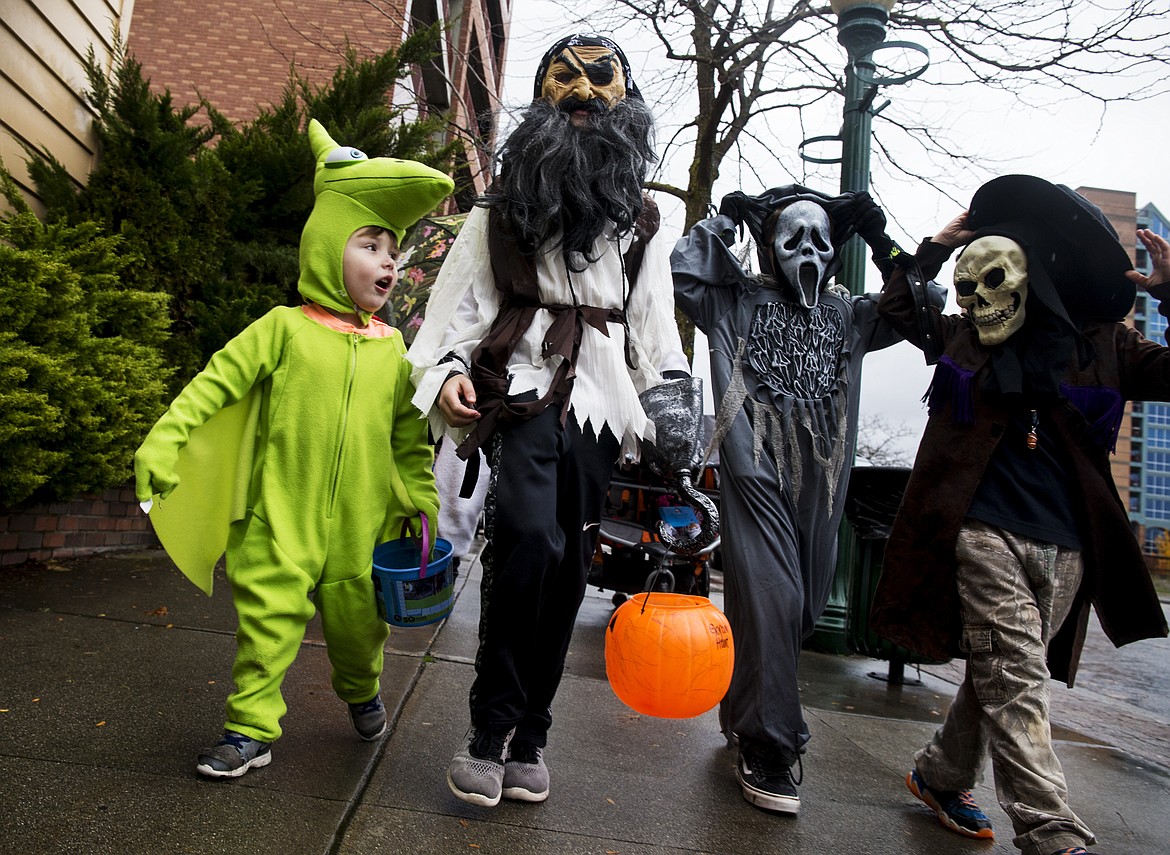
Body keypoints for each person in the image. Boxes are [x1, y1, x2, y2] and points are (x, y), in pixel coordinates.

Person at [407, 33, 689, 808]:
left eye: (603, 83)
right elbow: (457, 316)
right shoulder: (497, 214)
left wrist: (670, 397)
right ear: (540, 103)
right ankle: (487, 731)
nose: (584, 96)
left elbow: (654, 328)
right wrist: (452, 375)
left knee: (568, 568)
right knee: (527, 539)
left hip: (601, 405)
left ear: (626, 104)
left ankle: (530, 734)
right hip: (523, 392)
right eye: (565, 82)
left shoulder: (642, 224)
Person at [133, 119, 452, 779]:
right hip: (278, 520)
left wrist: (421, 501)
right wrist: (163, 443)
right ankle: (250, 728)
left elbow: (407, 439)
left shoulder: (393, 351)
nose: (388, 262)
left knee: (360, 635)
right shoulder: (283, 329)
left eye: (393, 250)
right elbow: (210, 387)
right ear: (328, 246)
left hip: (360, 535)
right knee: (266, 627)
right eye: (370, 244)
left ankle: (361, 686)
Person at [870, 174, 1170, 855]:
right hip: (979, 529)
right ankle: (1050, 827)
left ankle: (939, 774)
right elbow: (898, 310)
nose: (978, 298)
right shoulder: (966, 337)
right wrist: (938, 246)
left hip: (1070, 546)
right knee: (1014, 674)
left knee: (1000, 674)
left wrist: (1168, 293)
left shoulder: (1107, 346)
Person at [671, 186, 930, 814]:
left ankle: (742, 710)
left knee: (799, 610)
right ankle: (771, 747)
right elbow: (684, 272)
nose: (808, 252)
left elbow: (915, 310)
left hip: (822, 485)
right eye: (794, 238)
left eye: (821, 240)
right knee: (774, 598)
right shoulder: (733, 301)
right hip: (753, 468)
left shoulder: (850, 316)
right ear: (770, 247)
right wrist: (726, 220)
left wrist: (881, 237)